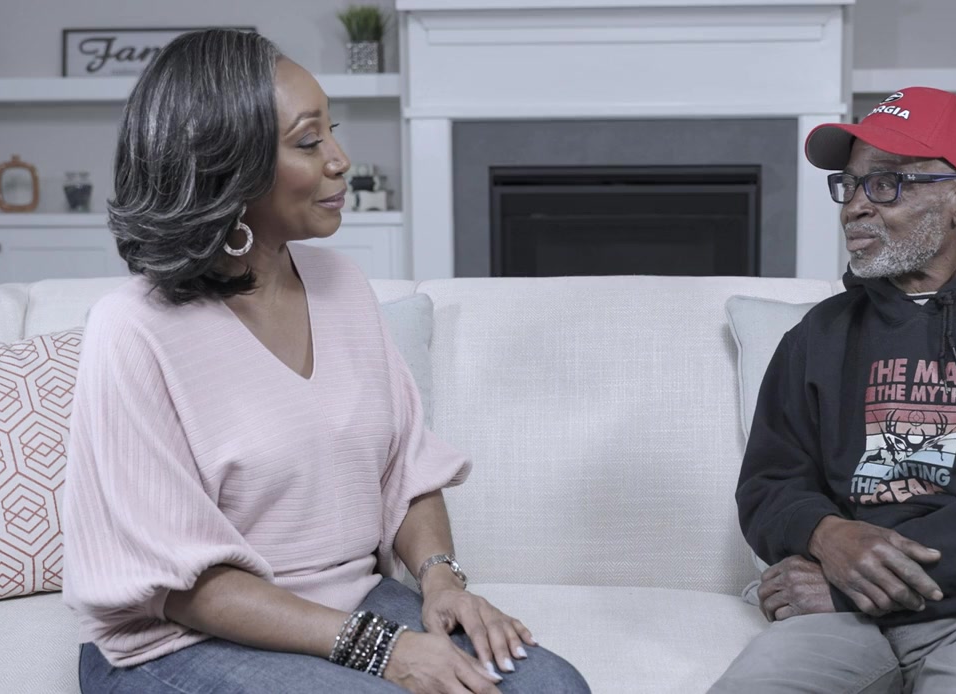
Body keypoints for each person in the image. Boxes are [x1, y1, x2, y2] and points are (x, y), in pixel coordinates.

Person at [62, 29, 589, 694]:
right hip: (181, 639)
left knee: (553, 687)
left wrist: (441, 580)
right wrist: (385, 650)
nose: (340, 161)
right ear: (226, 168)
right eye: (308, 142)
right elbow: (182, 586)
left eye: (330, 133)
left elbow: (405, 470)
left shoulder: (342, 286)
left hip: (350, 601)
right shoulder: (133, 329)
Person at [710, 87, 956, 693]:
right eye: (850, 185)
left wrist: (853, 581)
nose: (855, 208)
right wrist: (827, 535)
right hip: (836, 618)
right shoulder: (818, 335)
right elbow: (769, 485)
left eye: (887, 183)